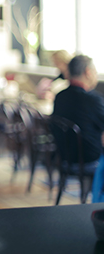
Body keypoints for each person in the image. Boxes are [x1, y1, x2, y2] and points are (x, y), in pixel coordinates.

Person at [52, 55, 104, 203]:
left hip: (65, 159)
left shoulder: (60, 96)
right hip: (89, 160)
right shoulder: (92, 100)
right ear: (88, 72)